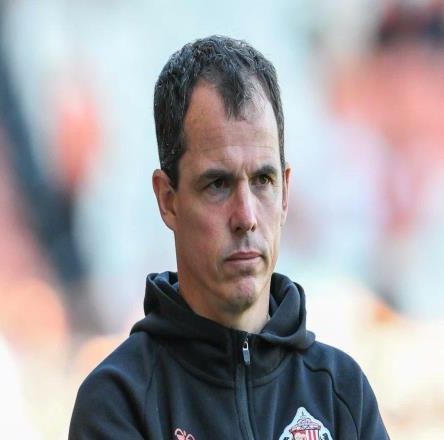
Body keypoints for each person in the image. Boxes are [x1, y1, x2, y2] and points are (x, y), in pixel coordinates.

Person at [69, 35, 390, 440]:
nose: (246, 217)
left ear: (286, 193)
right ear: (168, 200)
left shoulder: (342, 393)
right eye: (218, 184)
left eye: (263, 180)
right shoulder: (119, 401)